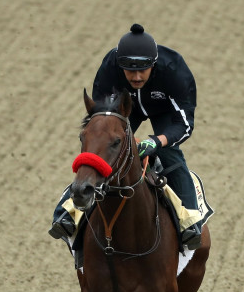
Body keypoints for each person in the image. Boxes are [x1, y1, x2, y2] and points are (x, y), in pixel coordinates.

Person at [49, 23, 202, 249]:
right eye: (129, 70)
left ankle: (190, 221)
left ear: (154, 64)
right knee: (101, 146)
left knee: (170, 153)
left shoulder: (174, 69)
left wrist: (156, 141)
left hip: (166, 113)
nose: (137, 76)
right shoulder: (109, 66)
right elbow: (100, 117)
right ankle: (67, 213)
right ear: (119, 65)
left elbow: (184, 123)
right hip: (124, 108)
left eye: (143, 70)